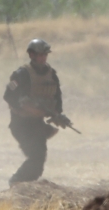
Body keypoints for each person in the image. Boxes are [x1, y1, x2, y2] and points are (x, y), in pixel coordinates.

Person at [4, 38, 68, 186]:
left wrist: (57, 114)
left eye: (45, 54)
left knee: (38, 161)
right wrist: (22, 105)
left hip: (38, 124)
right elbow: (8, 95)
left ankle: (23, 186)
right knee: (36, 157)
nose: (43, 57)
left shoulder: (52, 75)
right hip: (21, 124)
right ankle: (16, 182)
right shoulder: (22, 74)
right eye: (40, 54)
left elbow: (57, 98)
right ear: (32, 55)